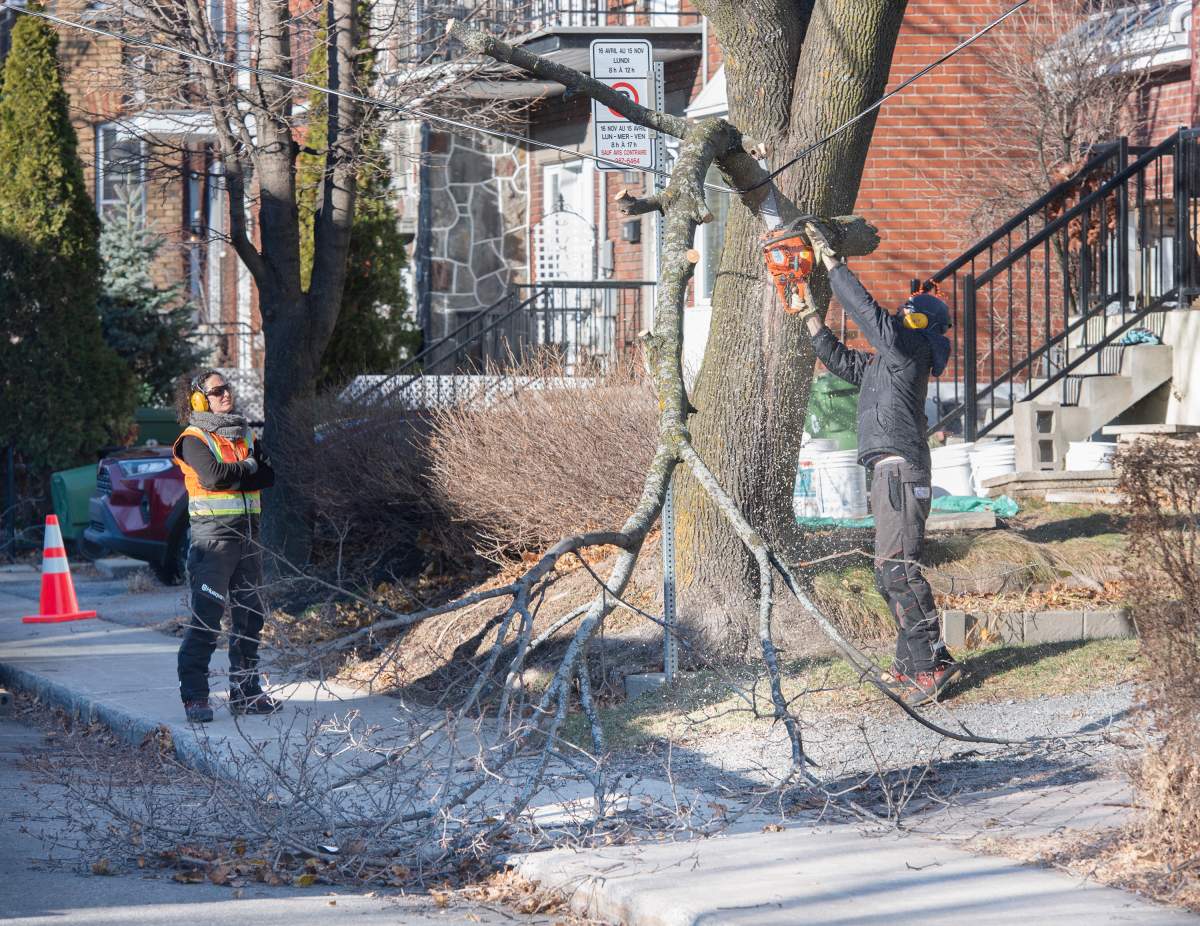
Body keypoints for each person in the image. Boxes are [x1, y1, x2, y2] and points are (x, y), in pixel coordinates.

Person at [798, 223, 962, 706]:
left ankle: (932, 662)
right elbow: (840, 359)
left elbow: (869, 314)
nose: (899, 322)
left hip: (901, 471)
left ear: (921, 329)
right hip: (888, 471)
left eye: (908, 318)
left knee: (899, 570)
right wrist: (811, 317)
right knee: (887, 571)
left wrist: (833, 265)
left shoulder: (909, 350)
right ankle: (911, 663)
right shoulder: (885, 364)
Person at [172, 369, 278, 723]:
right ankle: (196, 697)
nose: (225, 394)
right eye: (216, 391)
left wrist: (244, 468)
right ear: (200, 400)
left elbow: (269, 475)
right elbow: (213, 477)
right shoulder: (192, 438)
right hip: (213, 543)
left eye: (226, 388)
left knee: (251, 618)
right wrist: (248, 467)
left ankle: (246, 692)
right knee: (207, 620)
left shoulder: (244, 433)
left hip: (248, 539)